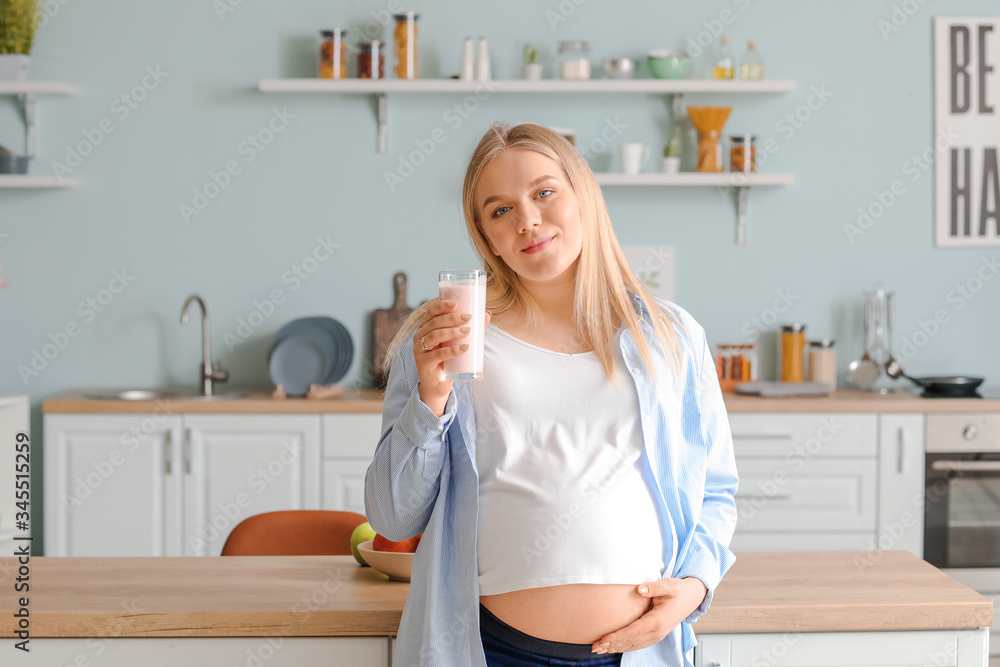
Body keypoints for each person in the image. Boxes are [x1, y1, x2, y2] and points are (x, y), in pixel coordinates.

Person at [365, 122, 738, 667]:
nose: (528, 220)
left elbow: (716, 491)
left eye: (544, 193)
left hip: (637, 653)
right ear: (484, 234)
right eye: (500, 210)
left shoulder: (670, 336)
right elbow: (394, 519)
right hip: (492, 651)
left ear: (581, 191)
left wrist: (698, 584)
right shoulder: (447, 339)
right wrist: (431, 394)